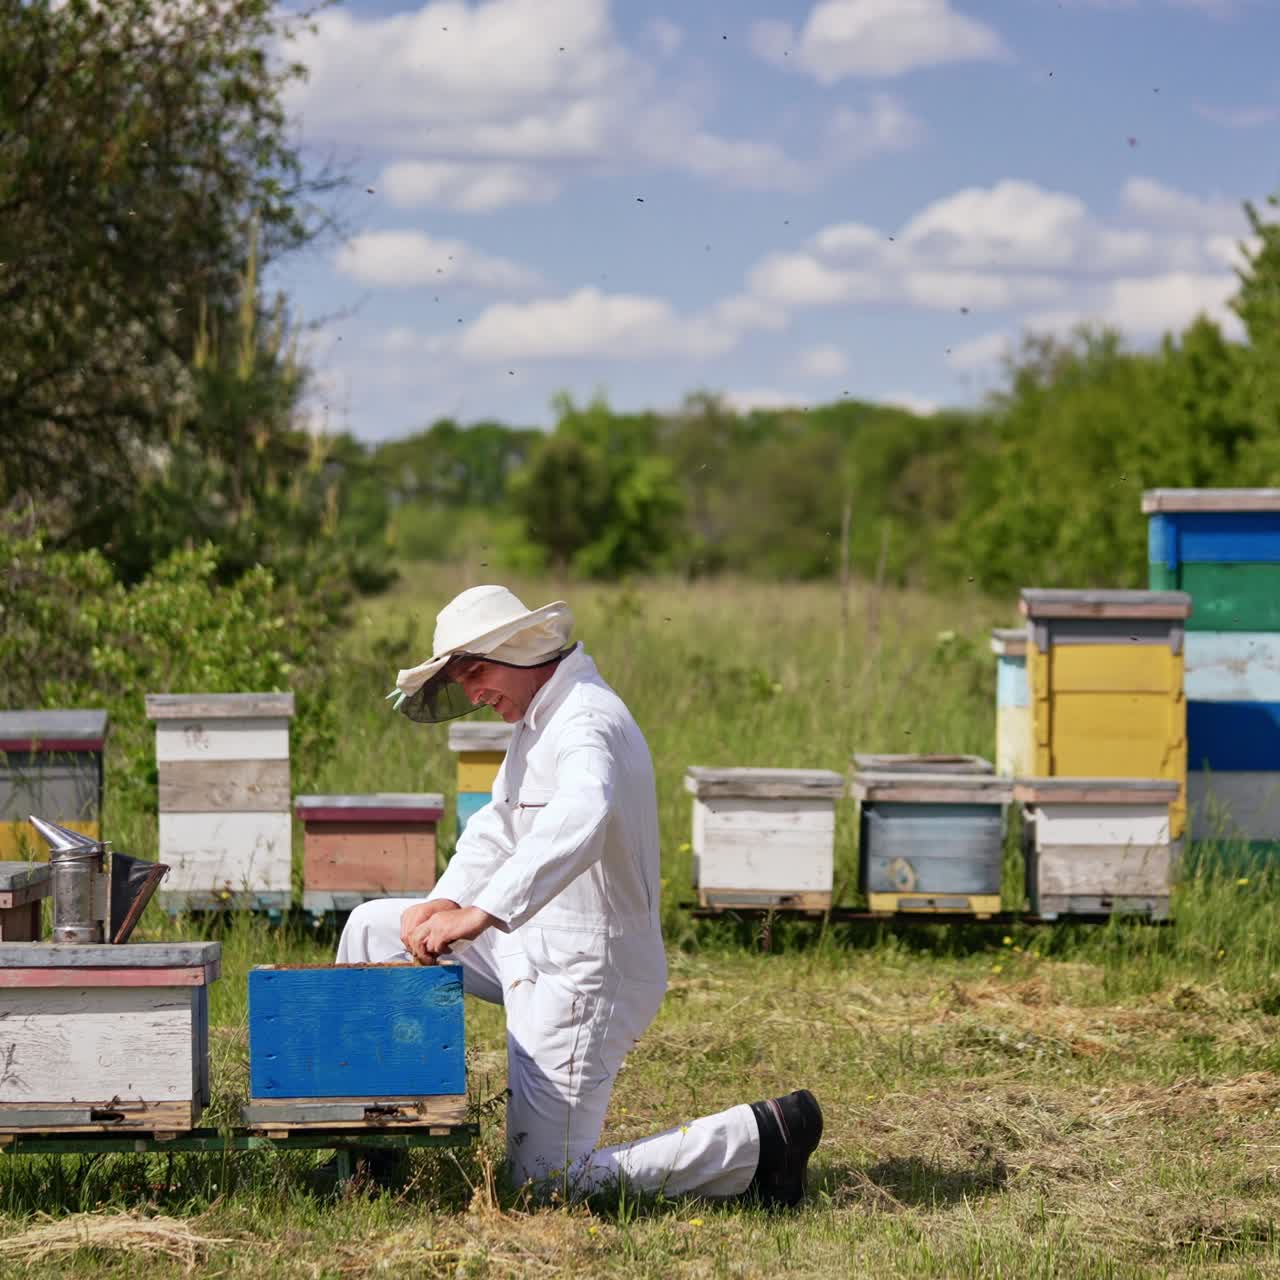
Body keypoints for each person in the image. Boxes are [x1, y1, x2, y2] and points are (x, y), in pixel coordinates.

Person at [337, 584, 823, 1205]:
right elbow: (499, 826)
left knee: (543, 1184)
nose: (473, 692)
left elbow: (583, 814)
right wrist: (446, 899)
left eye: (475, 671)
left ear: (520, 649)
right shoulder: (537, 720)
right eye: (461, 679)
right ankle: (372, 1147)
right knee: (375, 930)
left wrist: (481, 912)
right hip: (526, 943)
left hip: (587, 971)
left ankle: (760, 1140)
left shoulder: (588, 720)